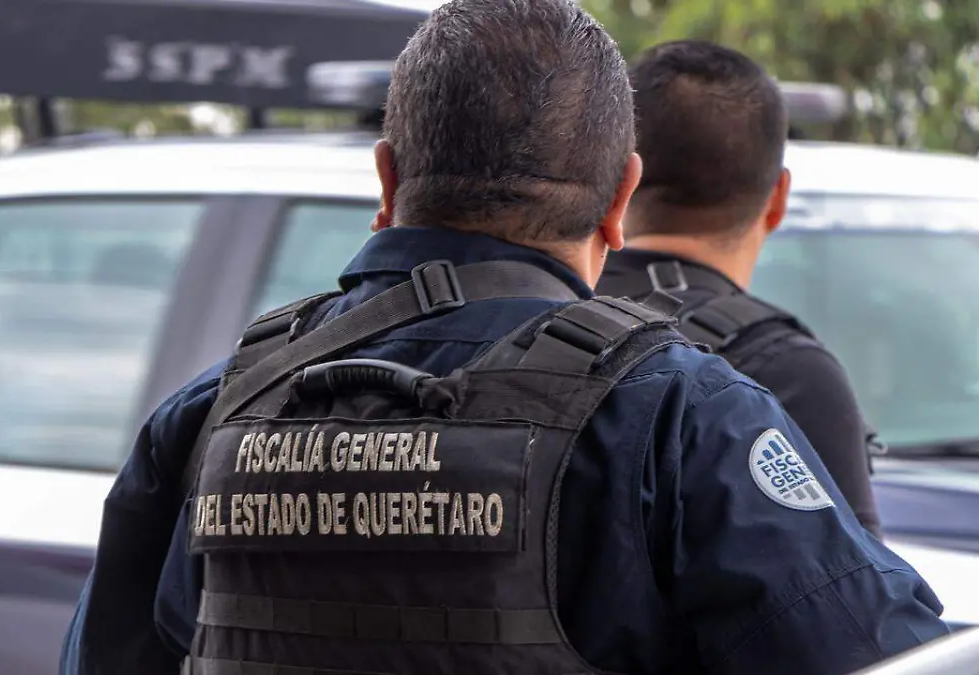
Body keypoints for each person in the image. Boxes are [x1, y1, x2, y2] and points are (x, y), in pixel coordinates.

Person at [60, 3, 948, 674]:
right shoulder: (683, 422)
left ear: (387, 179)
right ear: (619, 199)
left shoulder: (208, 416)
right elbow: (883, 652)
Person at [595, 40, 885, 538]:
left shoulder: (533, 321)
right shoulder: (790, 374)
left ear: (620, 180)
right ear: (778, 197)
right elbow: (854, 586)